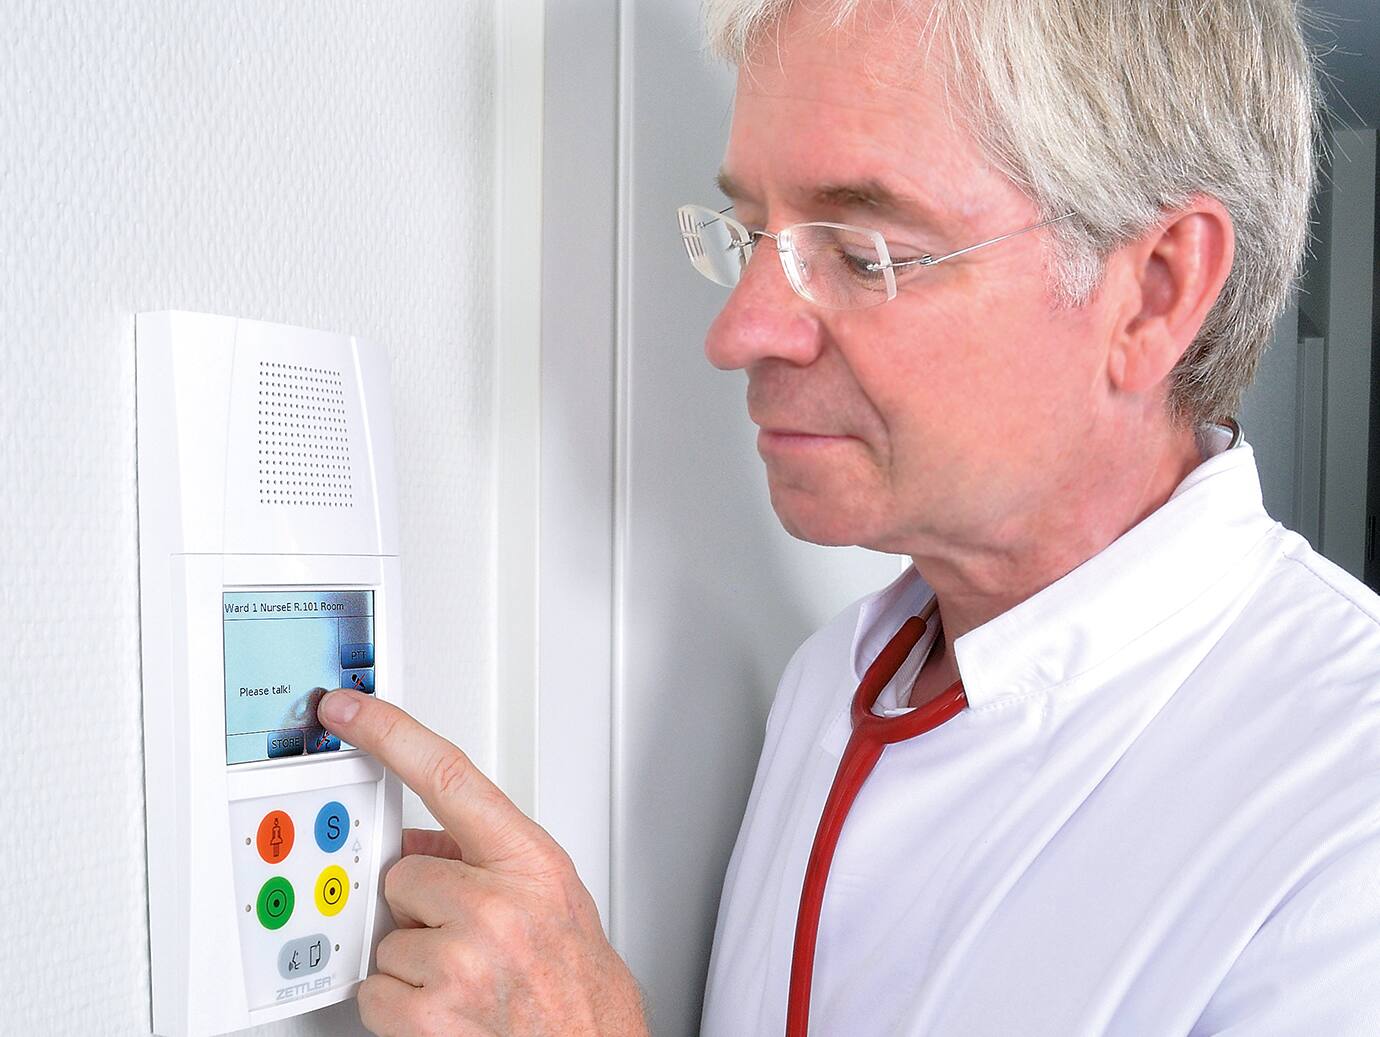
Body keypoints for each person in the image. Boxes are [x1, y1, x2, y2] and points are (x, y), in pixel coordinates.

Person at [318, 0, 1380, 1033]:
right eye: (750, 235)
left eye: (862, 252)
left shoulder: (1346, 818)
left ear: (1153, 290)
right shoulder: (831, 679)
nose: (740, 333)